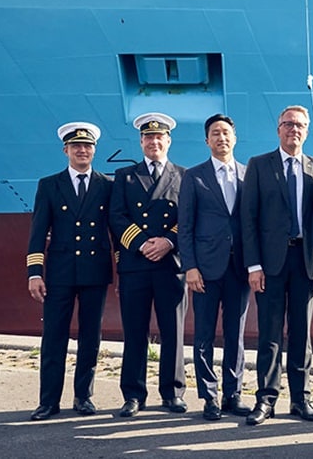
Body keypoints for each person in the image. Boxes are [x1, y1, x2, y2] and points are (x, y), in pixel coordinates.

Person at [241, 105, 313, 425]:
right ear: (278, 129)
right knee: (269, 333)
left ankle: (300, 398)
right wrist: (253, 265)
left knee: (301, 334)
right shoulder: (259, 165)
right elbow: (248, 219)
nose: (294, 129)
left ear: (306, 131)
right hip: (269, 264)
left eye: (300, 125)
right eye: (288, 124)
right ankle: (266, 399)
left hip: (306, 262)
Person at [26, 122, 114, 421]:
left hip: (95, 271)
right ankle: (48, 401)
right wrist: (34, 272)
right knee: (54, 337)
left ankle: (84, 397)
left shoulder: (107, 185)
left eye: (87, 146)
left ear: (94, 150)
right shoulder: (49, 185)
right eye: (76, 146)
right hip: (60, 273)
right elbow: (38, 232)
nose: (82, 150)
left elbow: (115, 230)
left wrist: (123, 270)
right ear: (66, 150)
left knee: (90, 338)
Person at [110, 112, 188, 418]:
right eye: (148, 137)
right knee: (134, 332)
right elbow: (117, 216)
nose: (154, 142)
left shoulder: (184, 175)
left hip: (170, 265)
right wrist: (142, 243)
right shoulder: (125, 176)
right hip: (136, 264)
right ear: (141, 142)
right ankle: (133, 394)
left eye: (159, 137)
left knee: (173, 332)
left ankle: (173, 392)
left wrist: (168, 241)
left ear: (169, 141)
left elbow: (189, 217)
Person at [178, 114, 251, 421]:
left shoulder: (248, 175)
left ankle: (233, 394)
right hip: (205, 269)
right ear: (207, 141)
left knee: (236, 334)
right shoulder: (194, 176)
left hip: (240, 267)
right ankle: (209, 396)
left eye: (226, 133)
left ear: (235, 138)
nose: (221, 138)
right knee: (204, 334)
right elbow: (185, 227)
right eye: (215, 133)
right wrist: (190, 267)